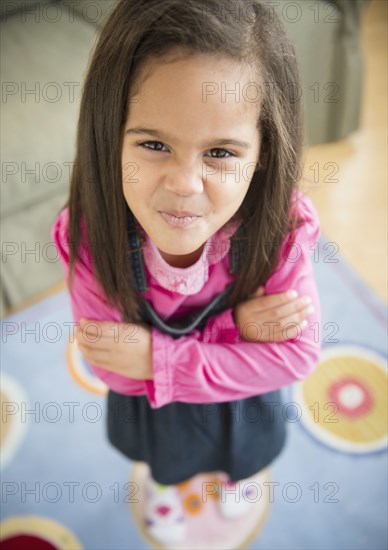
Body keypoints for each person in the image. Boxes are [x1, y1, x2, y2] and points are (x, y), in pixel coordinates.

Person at [51, 0, 322, 545]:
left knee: (243, 454)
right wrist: (238, 335)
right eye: (154, 144)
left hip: (241, 407)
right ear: (111, 134)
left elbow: (297, 353)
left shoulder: (283, 228)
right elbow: (111, 365)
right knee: (166, 460)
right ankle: (168, 487)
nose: (184, 185)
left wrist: (158, 356)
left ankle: (235, 478)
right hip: (161, 416)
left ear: (264, 152)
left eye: (221, 152)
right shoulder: (85, 233)